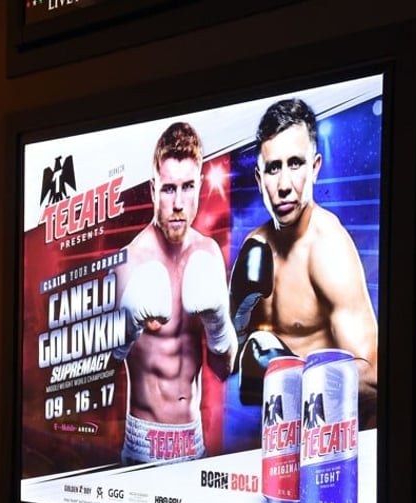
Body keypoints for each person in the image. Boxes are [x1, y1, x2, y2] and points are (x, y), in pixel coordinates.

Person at [230, 98, 378, 424]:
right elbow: (235, 371)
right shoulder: (254, 247)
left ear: (315, 168)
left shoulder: (328, 247)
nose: (284, 186)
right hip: (276, 445)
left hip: (332, 449)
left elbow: (373, 377)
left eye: (295, 163)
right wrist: (236, 334)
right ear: (259, 178)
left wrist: (291, 374)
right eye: (273, 168)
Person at [111, 121, 238, 465]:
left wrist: (218, 326)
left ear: (199, 185)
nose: (179, 203)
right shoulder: (130, 260)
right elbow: (106, 368)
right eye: (169, 189)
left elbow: (222, 370)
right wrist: (122, 331)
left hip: (193, 443)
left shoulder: (209, 254)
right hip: (143, 445)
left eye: (188, 187)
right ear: (153, 190)